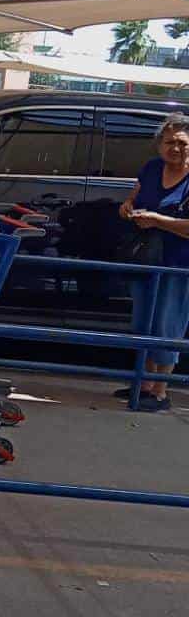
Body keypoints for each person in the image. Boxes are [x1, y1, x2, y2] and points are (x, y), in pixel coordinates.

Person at [116, 115, 189, 412]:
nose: (176, 148)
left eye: (182, 143)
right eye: (170, 142)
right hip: (145, 258)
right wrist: (128, 208)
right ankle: (143, 384)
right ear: (159, 145)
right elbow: (133, 198)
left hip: (178, 263)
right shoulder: (150, 169)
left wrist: (159, 221)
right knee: (143, 322)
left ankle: (160, 392)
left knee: (167, 324)